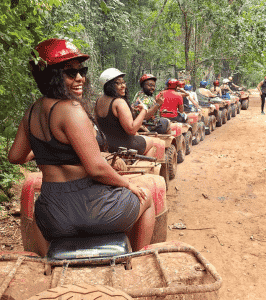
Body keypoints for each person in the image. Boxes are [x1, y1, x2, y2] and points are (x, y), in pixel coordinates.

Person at [8, 38, 155, 255]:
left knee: (39, 209)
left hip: (52, 213)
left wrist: (44, 151)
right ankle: (139, 258)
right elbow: (96, 168)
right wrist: (127, 185)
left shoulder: (31, 112)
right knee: (148, 196)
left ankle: (47, 263)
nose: (80, 78)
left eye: (82, 71)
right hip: (89, 207)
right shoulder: (71, 109)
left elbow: (15, 156)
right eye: (70, 73)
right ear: (52, 75)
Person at [95, 68, 156, 156]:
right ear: (108, 85)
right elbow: (131, 129)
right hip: (123, 146)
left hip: (106, 145)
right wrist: (144, 110)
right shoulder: (119, 102)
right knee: (151, 142)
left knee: (139, 136)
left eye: (123, 82)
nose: (123, 86)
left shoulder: (98, 101)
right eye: (118, 83)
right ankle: (143, 167)